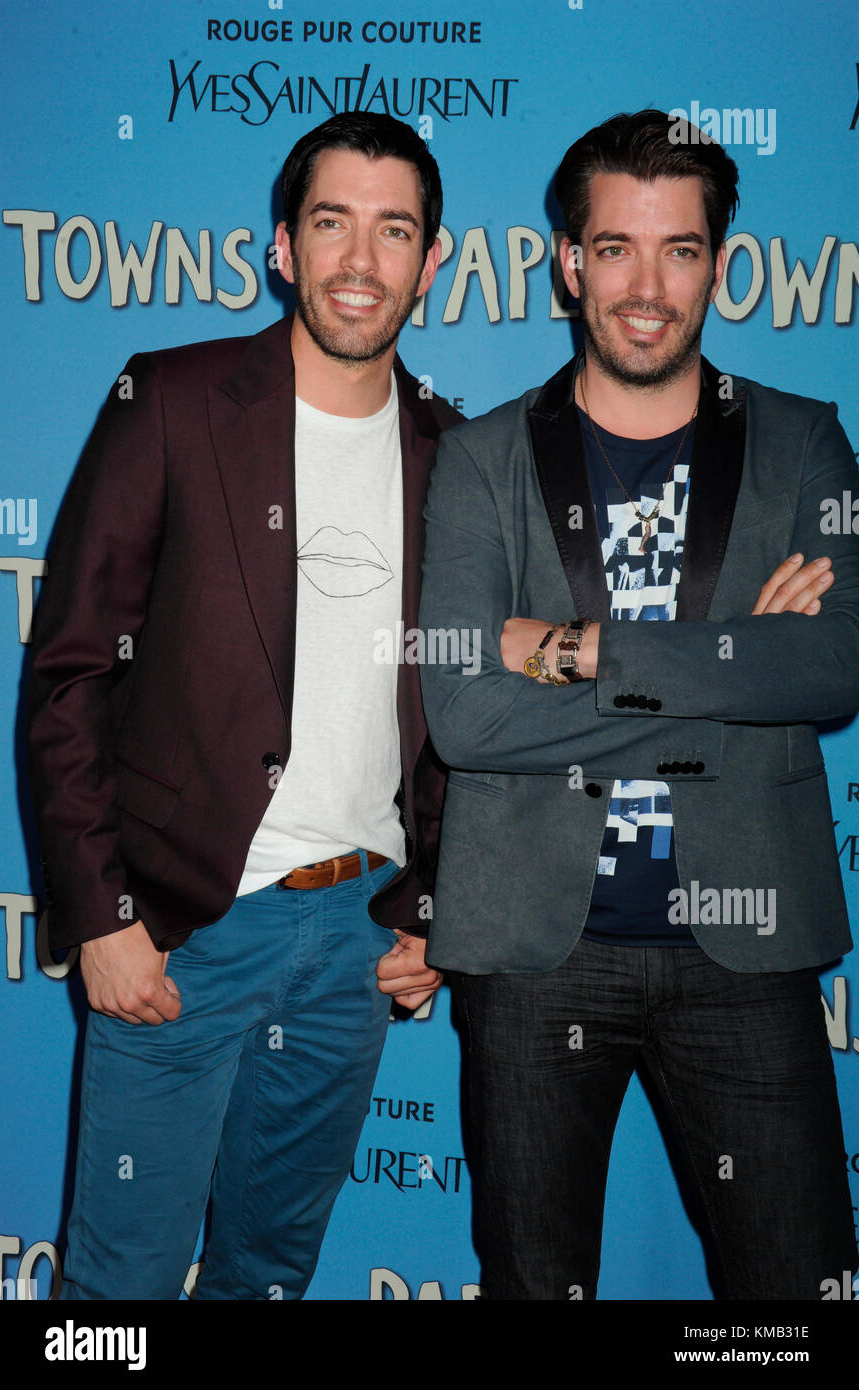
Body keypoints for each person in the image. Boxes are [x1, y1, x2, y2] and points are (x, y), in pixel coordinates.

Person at [419, 109, 859, 1300]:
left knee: (795, 1294)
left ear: (720, 261)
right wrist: (733, 663)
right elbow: (465, 714)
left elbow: (829, 671)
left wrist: (577, 649)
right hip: (531, 958)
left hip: (747, 951)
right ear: (569, 261)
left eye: (680, 250)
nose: (647, 287)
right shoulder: (482, 459)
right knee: (535, 1284)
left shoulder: (805, 443)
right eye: (615, 248)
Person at [27, 111, 458, 1301]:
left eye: (393, 230)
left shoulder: (456, 456)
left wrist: (435, 906)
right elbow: (68, 673)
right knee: (115, 1287)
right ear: (283, 247)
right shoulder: (169, 400)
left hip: (355, 945)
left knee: (271, 1272)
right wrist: (101, 911)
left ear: (433, 262)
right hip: (180, 932)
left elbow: (467, 719)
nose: (361, 261)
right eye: (332, 224)